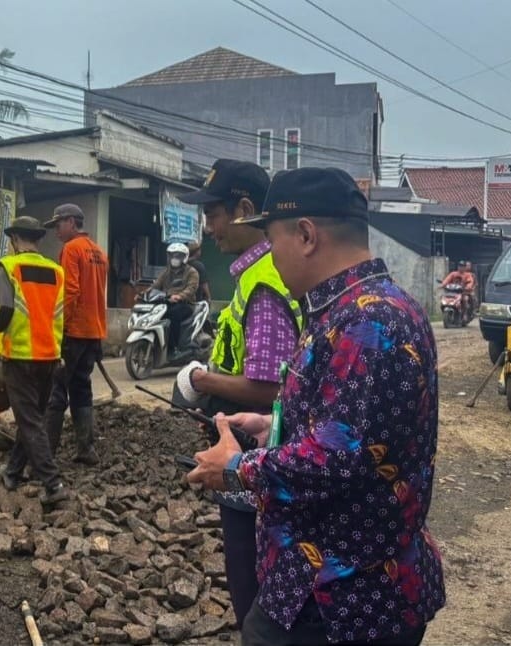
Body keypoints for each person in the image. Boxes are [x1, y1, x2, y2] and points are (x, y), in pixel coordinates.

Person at [188, 167, 445, 646]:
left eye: (271, 238)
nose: (268, 253)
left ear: (305, 235)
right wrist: (274, 426)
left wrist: (238, 466)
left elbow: (337, 459)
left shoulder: (369, 322)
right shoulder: (354, 307)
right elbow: (356, 430)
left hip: (342, 599)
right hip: (328, 583)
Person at [174, 159, 302, 628]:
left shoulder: (264, 281)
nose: (209, 229)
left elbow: (269, 385)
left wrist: (203, 382)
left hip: (252, 446)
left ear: (246, 209)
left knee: (251, 577)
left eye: (214, 215)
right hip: (255, 442)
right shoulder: (258, 274)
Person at [0, 216, 70, 506]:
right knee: (32, 421)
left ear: (14, 240)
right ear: (37, 239)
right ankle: (12, 471)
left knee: (30, 422)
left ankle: (53, 485)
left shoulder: (9, 266)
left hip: (20, 357)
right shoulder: (56, 271)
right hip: (49, 356)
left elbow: (4, 309)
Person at [42, 203, 109, 466]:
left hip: (74, 330)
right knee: (82, 388)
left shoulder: (71, 249)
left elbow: (70, 292)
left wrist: (60, 328)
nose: (56, 230)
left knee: (56, 389)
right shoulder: (99, 252)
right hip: (94, 331)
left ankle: (46, 453)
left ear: (71, 222)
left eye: (58, 225)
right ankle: (86, 449)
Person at [151, 242, 200, 354]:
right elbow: (156, 285)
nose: (175, 258)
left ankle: (173, 348)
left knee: (173, 316)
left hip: (186, 304)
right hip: (167, 302)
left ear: (184, 257)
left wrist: (180, 296)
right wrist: (143, 294)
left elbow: (191, 288)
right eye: (172, 255)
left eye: (178, 256)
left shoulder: (192, 272)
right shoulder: (166, 272)